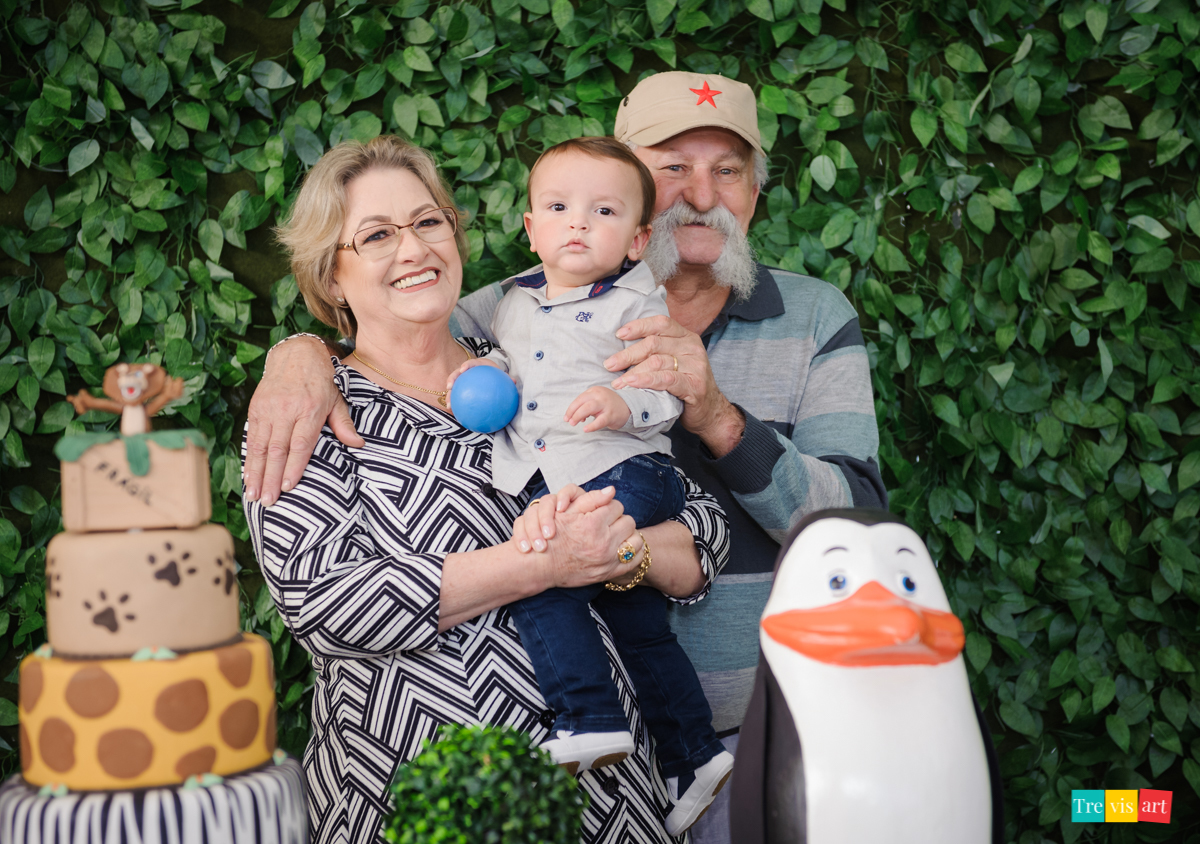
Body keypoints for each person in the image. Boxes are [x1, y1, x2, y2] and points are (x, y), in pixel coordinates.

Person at [243, 71, 886, 844]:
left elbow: (747, 524)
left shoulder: (520, 341)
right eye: (672, 166)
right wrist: (299, 354)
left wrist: (696, 435)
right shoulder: (498, 332)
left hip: (663, 777)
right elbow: (324, 601)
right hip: (417, 791)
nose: (702, 193)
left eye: (728, 169)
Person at [243, 134, 731, 844]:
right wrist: (546, 564)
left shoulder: (526, 361)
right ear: (331, 277)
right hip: (423, 796)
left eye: (427, 222)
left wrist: (622, 551)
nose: (412, 250)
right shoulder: (308, 409)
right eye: (377, 235)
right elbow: (322, 601)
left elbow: (702, 523)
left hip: (609, 806)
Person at [448, 136, 733, 835]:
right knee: (635, 621)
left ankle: (589, 720)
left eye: (601, 211)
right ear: (530, 228)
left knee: (545, 579)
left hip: (627, 468)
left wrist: (623, 405)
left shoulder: (636, 304)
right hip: (558, 472)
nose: (577, 223)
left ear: (637, 241)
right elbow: (419, 322)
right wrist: (477, 374)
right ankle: (694, 755)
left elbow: (672, 394)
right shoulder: (508, 303)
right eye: (558, 207)